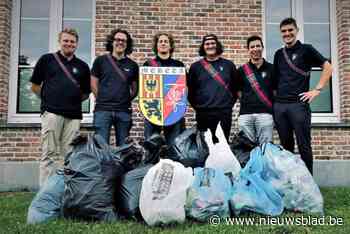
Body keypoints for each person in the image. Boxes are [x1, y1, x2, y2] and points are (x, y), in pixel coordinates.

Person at [30, 28, 91, 186]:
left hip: (73, 117)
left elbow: (85, 93)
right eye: (66, 40)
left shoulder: (83, 66)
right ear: (60, 41)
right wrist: (50, 100)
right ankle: (46, 194)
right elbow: (35, 86)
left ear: (76, 44)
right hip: (51, 114)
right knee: (49, 154)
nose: (69, 44)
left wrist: (69, 101)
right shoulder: (47, 60)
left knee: (69, 155)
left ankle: (64, 192)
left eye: (72, 41)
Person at [273, 18, 333, 174]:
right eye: (284, 31)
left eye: (290, 30)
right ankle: (292, 182)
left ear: (297, 30)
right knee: (286, 147)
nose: (287, 33)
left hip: (299, 105)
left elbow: (328, 67)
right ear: (281, 33)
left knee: (304, 145)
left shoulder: (307, 49)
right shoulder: (279, 54)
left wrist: (317, 89)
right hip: (280, 106)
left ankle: (309, 186)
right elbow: (276, 81)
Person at [91, 29, 139, 146]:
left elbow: (135, 89)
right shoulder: (100, 61)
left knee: (124, 148)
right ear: (112, 42)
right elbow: (93, 83)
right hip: (103, 110)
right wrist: (102, 97)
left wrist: (124, 99)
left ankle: (121, 165)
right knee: (101, 147)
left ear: (127, 44)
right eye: (117, 39)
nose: (120, 42)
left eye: (123, 40)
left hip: (123, 111)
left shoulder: (132, 65)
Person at [188, 34, 238, 141]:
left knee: (223, 146)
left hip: (224, 113)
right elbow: (191, 91)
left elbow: (235, 89)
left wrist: (227, 106)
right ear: (203, 47)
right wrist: (199, 107)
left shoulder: (229, 65)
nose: (210, 46)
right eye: (207, 44)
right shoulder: (195, 67)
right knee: (205, 147)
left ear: (217, 45)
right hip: (203, 113)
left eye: (212, 43)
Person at [143, 33, 186, 145]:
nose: (163, 43)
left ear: (170, 46)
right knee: (151, 146)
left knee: (175, 146)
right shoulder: (148, 65)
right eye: (160, 41)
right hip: (153, 110)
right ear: (156, 45)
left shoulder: (178, 65)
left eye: (166, 41)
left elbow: (184, 88)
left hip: (173, 110)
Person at [236, 35, 274, 144]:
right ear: (248, 50)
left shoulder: (272, 68)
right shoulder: (241, 70)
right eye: (252, 47)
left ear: (262, 48)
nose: (255, 49)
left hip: (265, 114)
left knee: (266, 148)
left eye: (258, 46)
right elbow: (238, 92)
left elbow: (275, 91)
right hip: (245, 115)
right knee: (246, 148)